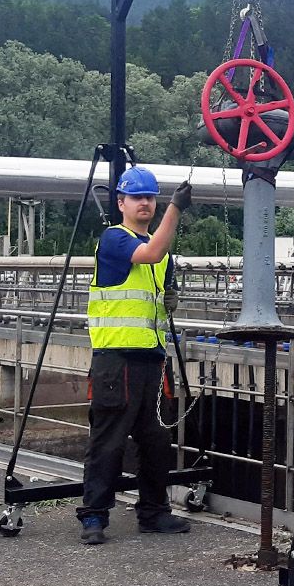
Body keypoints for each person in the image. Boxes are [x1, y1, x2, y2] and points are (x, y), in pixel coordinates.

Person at [76, 166, 192, 545]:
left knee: (156, 440)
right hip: (117, 359)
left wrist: (169, 304)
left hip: (152, 359)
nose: (145, 203)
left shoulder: (164, 258)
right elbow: (152, 250)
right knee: (109, 440)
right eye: (137, 197)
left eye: (150, 197)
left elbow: (156, 299)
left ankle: (154, 511)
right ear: (121, 203)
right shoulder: (115, 239)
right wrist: (176, 207)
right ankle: (94, 515)